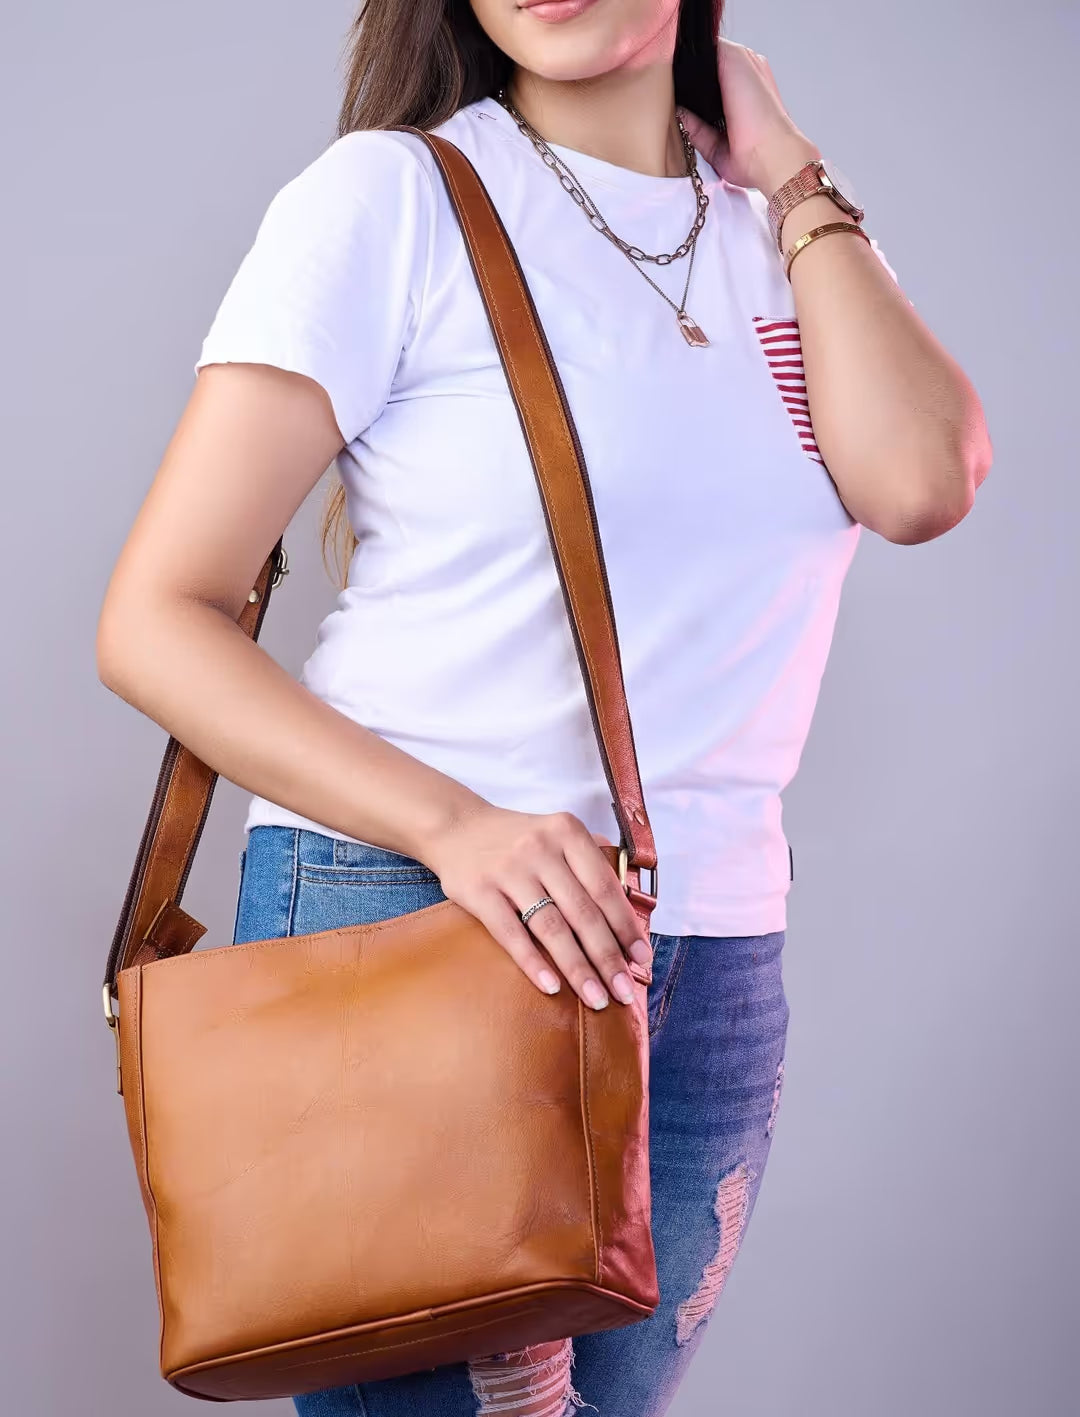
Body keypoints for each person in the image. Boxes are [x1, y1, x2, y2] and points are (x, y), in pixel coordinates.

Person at [95, 1, 992, 1413]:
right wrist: (459, 829)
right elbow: (157, 617)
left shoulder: (788, 236)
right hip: (424, 914)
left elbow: (923, 484)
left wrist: (791, 170)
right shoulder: (394, 200)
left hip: (710, 947)